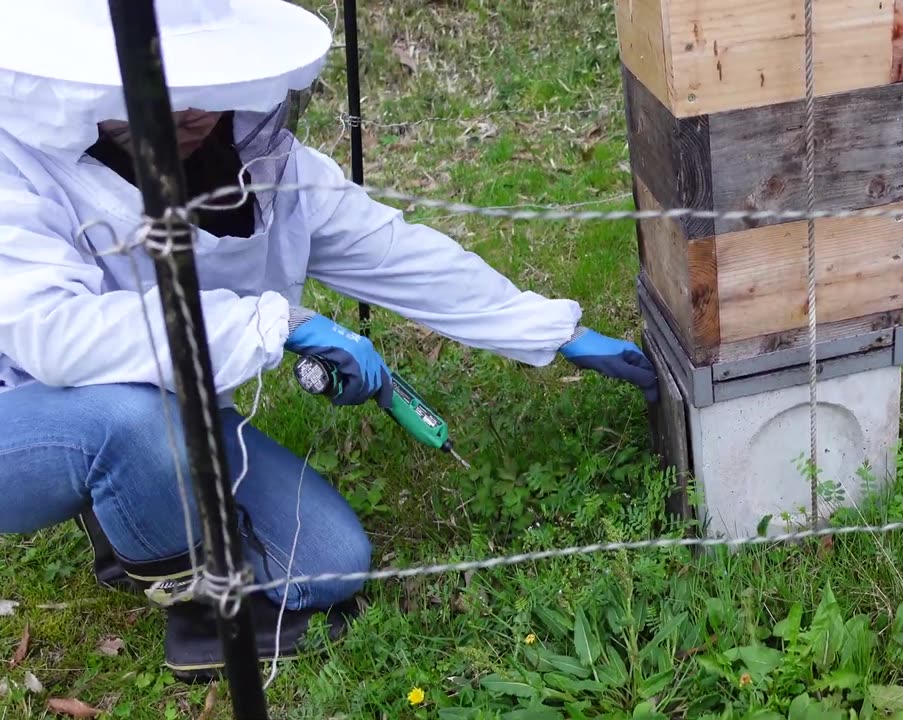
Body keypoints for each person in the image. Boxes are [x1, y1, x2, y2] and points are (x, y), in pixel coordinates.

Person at [0, 0, 658, 682]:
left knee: (328, 562)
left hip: (165, 409)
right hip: (26, 417)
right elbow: (54, 336)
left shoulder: (260, 160)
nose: (192, 107)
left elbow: (394, 252)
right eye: (162, 85)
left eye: (205, 79)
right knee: (129, 421)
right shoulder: (17, 168)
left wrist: (551, 328)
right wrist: (276, 323)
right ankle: (203, 619)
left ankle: (133, 512)